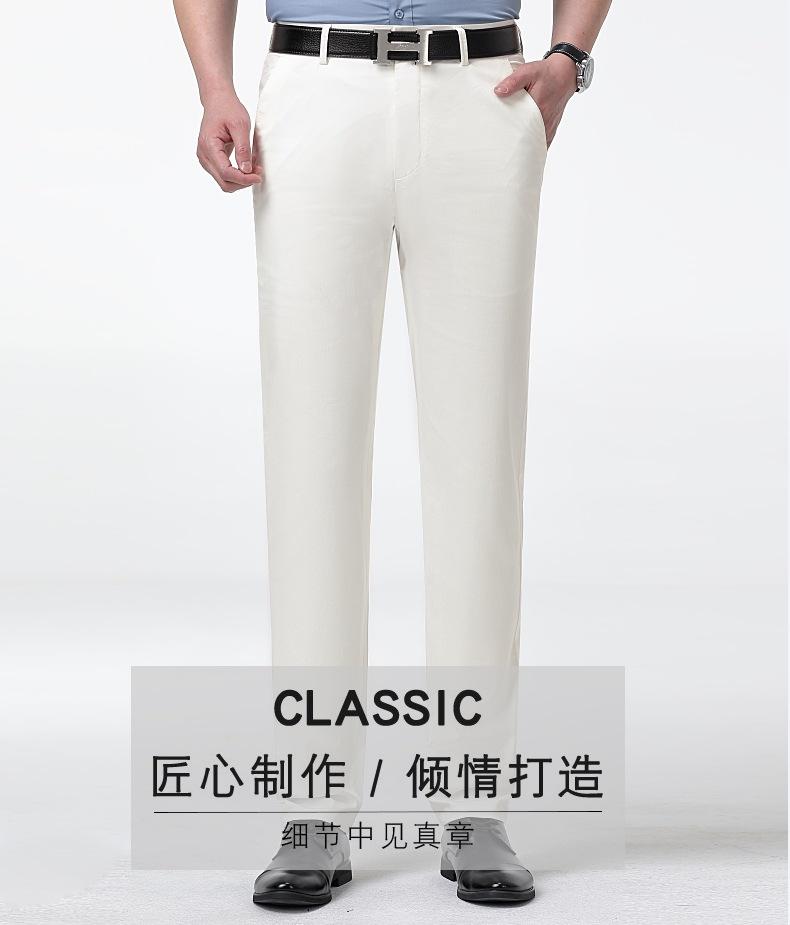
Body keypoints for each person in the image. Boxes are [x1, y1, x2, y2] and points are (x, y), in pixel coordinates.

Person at [174, 0, 611, 907]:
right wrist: (215, 84)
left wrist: (571, 56)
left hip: (483, 91)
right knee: (310, 460)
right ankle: (313, 805)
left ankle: (474, 804)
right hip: (315, 90)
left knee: (480, 464)